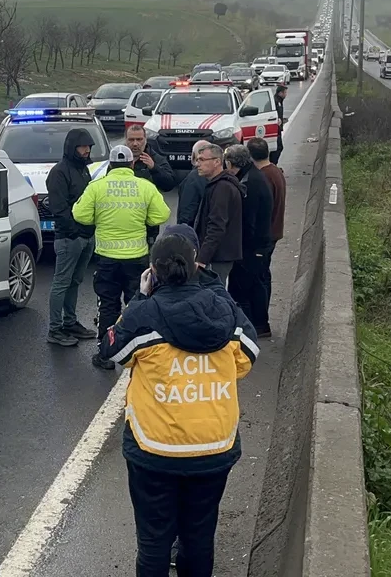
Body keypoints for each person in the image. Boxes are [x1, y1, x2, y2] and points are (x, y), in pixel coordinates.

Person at [96, 226, 260, 577]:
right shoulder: (223, 309)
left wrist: (139, 298)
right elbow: (248, 355)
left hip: (154, 448)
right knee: (199, 537)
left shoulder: (145, 314)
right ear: (195, 267)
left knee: (154, 542)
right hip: (214, 447)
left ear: (153, 271)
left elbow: (111, 349)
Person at [73, 144, 170, 370]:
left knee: (107, 304)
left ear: (110, 164)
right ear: (131, 164)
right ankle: (139, 350)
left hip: (107, 258)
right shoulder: (144, 186)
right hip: (136, 257)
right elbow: (161, 214)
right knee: (136, 303)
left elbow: (80, 215)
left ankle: (105, 353)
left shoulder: (97, 187)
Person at [45, 128, 98, 346]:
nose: (86, 150)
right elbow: (59, 208)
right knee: (61, 282)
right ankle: (55, 329)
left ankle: (70, 322)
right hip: (69, 238)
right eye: (82, 146)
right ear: (71, 147)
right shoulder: (59, 172)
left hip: (86, 236)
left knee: (75, 282)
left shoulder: (84, 170)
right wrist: (76, 232)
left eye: (88, 147)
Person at [223, 143, 274, 335]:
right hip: (259, 244)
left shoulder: (249, 184)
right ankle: (259, 325)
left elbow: (249, 221)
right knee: (256, 285)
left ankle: (247, 329)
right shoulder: (252, 176)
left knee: (241, 289)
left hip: (252, 247)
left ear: (229, 163)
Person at [248, 137, 286, 340]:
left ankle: (261, 323)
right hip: (274, 232)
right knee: (264, 277)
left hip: (266, 236)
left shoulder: (262, 177)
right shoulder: (276, 172)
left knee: (258, 279)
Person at [191, 143, 243, 282]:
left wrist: (202, 259)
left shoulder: (222, 188)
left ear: (217, 162)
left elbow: (216, 226)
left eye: (202, 160)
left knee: (213, 294)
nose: (197, 164)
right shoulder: (218, 185)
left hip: (219, 256)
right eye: (197, 160)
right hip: (218, 255)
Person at [124, 124, 179, 244]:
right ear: (125, 140)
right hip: (122, 221)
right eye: (131, 140)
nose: (135, 144)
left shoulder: (156, 159)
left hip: (147, 225)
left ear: (145, 140)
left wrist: (154, 168)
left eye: (139, 139)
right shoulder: (118, 159)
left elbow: (169, 184)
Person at [175, 140, 212, 228]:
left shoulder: (193, 179)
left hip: (196, 232)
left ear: (193, 157)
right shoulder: (217, 175)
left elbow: (187, 211)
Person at [271, 84, 288, 164]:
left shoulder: (279, 101)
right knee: (278, 147)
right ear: (280, 93)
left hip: (278, 128)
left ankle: (274, 165)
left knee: (278, 147)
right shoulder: (275, 101)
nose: (286, 94)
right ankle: (273, 165)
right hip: (275, 129)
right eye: (285, 92)